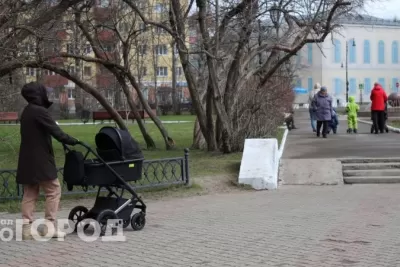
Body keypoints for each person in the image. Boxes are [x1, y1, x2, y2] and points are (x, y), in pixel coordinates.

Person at [16, 82, 79, 240]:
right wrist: (73, 140)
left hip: (27, 159)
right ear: (38, 94)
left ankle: (26, 228)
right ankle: (49, 227)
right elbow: (56, 131)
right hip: (41, 159)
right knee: (53, 190)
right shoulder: (40, 111)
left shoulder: (27, 111)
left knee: (30, 193)